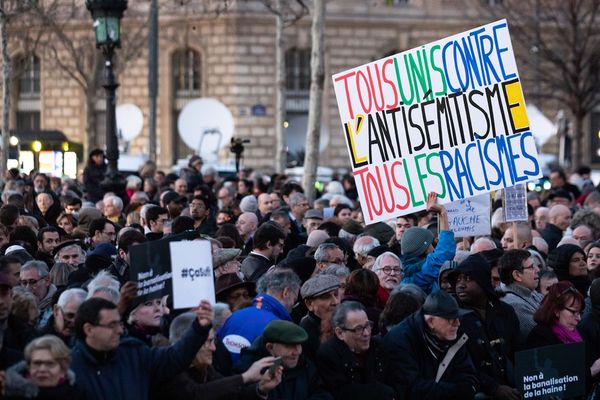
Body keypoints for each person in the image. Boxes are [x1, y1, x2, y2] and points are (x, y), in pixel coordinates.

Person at [70, 297, 213, 400]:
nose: (120, 330)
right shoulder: (69, 369)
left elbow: (173, 358)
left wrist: (199, 329)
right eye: (112, 325)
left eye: (119, 323)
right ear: (89, 329)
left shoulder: (133, 352)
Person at [152, 312, 282, 400]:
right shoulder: (167, 368)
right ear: (189, 341)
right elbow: (196, 394)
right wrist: (246, 376)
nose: (214, 348)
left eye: (214, 341)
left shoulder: (205, 368)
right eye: (208, 342)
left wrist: (260, 388)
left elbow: (228, 394)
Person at [449, 253, 521, 400]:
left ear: (483, 281)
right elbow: (459, 365)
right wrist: (495, 388)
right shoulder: (452, 317)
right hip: (474, 389)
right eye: (458, 279)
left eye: (468, 279)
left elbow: (518, 351)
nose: (460, 285)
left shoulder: (505, 311)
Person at [383, 290, 478, 400]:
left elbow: (468, 375)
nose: (457, 323)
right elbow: (412, 388)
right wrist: (457, 391)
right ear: (431, 321)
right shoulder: (400, 340)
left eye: (458, 317)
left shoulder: (454, 336)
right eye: (451, 319)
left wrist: (466, 389)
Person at [218, 269, 301, 364]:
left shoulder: (232, 318)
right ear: (286, 292)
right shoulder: (280, 326)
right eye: (295, 298)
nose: (293, 304)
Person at [235, 320, 332, 400]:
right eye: (290, 346)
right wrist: (260, 390)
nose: (297, 352)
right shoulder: (248, 370)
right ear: (270, 347)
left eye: (299, 344)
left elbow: (321, 393)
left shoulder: (305, 365)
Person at [316, 301, 395, 400]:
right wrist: (379, 391)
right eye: (358, 329)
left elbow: (394, 381)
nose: (366, 333)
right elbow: (341, 393)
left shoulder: (379, 347)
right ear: (340, 333)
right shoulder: (328, 355)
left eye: (367, 326)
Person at [400, 192, 455, 293]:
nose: (434, 248)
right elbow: (444, 253)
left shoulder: (403, 268)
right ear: (425, 249)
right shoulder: (417, 272)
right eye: (431, 244)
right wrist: (442, 212)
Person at [4, 335, 83, 399]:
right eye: (37, 363)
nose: (42, 369)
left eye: (50, 364)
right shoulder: (10, 394)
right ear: (28, 367)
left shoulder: (78, 395)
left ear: (63, 369)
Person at [499, 249, 544, 341]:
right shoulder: (514, 304)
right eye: (531, 267)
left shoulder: (531, 292)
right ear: (517, 275)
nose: (538, 270)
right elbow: (542, 334)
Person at [526, 281, 584, 348]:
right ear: (556, 310)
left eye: (580, 312)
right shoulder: (540, 336)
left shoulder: (579, 332)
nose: (579, 318)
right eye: (574, 312)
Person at [299, 274, 340, 361]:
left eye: (336, 294)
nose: (335, 302)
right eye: (326, 297)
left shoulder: (344, 320)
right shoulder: (305, 334)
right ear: (309, 304)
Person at [19, 260, 57, 329]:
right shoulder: (18, 304)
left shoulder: (58, 302)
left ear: (47, 280)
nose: (28, 288)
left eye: (32, 282)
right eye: (24, 283)